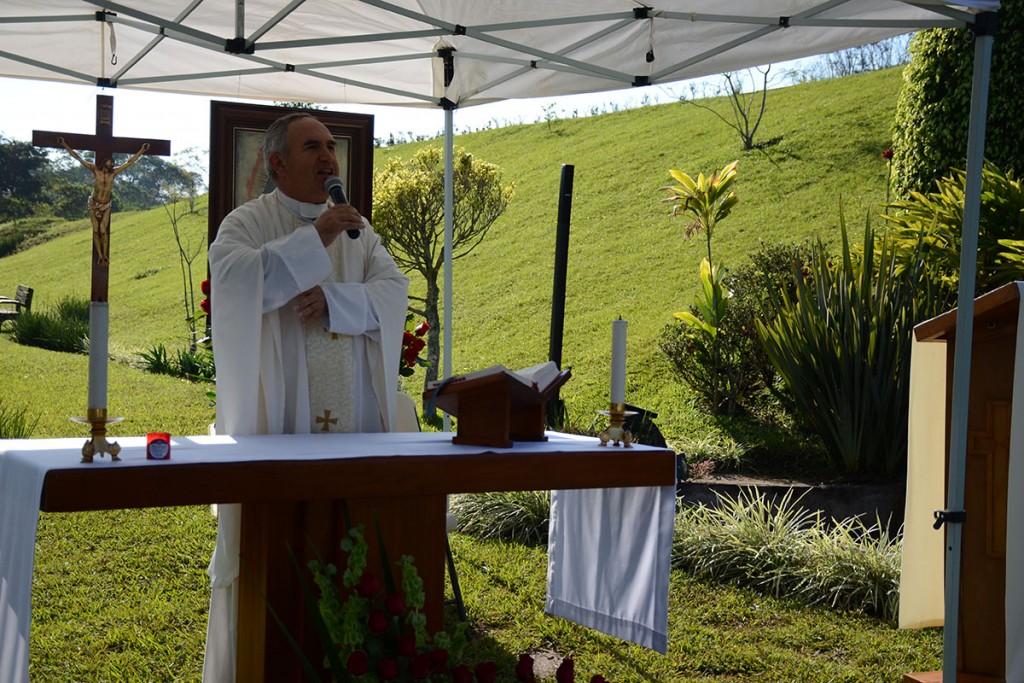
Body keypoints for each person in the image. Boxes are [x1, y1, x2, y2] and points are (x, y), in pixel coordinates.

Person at [202, 112, 409, 683]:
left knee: (349, 556)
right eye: (311, 146)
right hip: (274, 423)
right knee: (274, 561)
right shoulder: (246, 223)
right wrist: (313, 239)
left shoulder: (358, 231)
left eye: (330, 147)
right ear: (276, 164)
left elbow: (394, 292)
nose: (327, 157)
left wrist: (337, 302)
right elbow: (234, 281)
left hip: (353, 430)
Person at [58, 137, 149, 266]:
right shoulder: (95, 170)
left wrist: (141, 150)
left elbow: (129, 162)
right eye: (110, 162)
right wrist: (64, 144)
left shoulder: (114, 174)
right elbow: (77, 157)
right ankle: (100, 257)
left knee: (103, 230)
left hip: (106, 204)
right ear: (104, 162)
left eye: (113, 162)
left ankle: (105, 256)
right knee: (96, 230)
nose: (112, 164)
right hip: (94, 203)